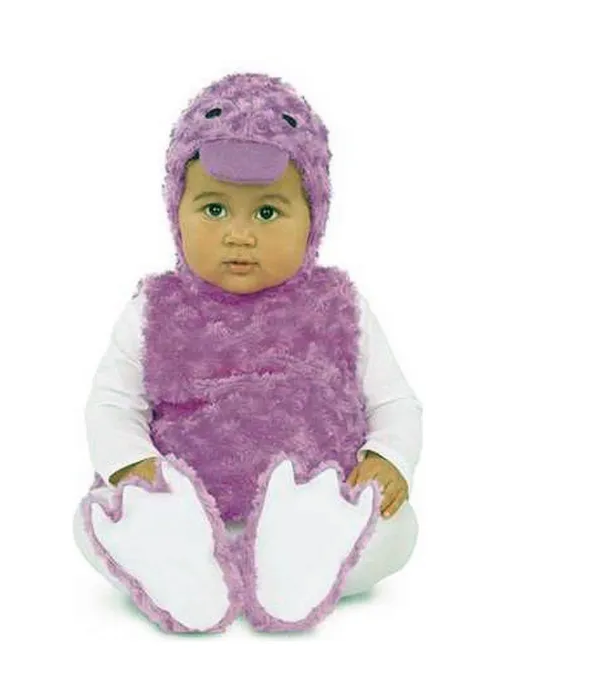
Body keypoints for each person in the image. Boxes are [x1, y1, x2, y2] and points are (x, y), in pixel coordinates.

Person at [73, 72, 422, 633]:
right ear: (176, 210)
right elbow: (113, 405)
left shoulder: (340, 304)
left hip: (318, 496)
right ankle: (178, 551)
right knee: (90, 520)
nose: (239, 235)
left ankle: (295, 550)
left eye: (266, 213)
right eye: (214, 210)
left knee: (397, 530)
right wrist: (135, 467)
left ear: (314, 217)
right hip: (190, 505)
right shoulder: (155, 307)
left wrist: (387, 458)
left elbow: (396, 402)